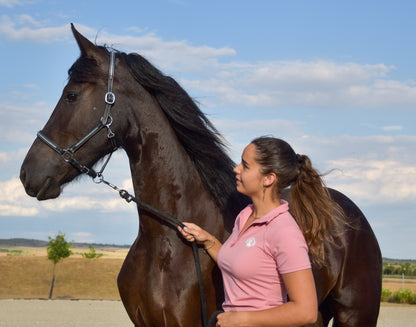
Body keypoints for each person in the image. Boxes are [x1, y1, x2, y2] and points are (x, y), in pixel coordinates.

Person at [179, 136, 343, 327]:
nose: (236, 169)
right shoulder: (245, 216)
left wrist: (242, 319)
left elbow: (306, 312)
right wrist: (209, 242)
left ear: (268, 179)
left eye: (245, 166)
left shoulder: (284, 232)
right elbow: (242, 264)